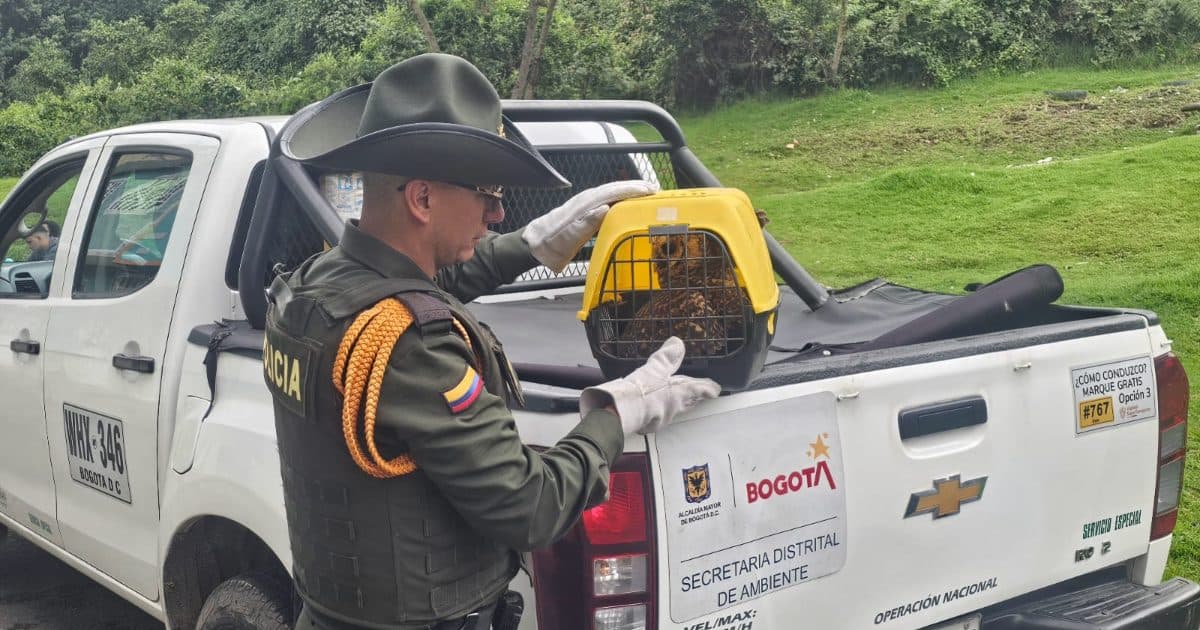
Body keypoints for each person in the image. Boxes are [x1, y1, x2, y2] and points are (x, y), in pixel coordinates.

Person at [265, 53, 721, 630]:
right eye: (488, 195)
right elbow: (531, 507)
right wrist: (616, 414)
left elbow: (426, 277)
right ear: (423, 200)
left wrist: (535, 244)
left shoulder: (317, 285)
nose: (499, 212)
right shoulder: (410, 344)